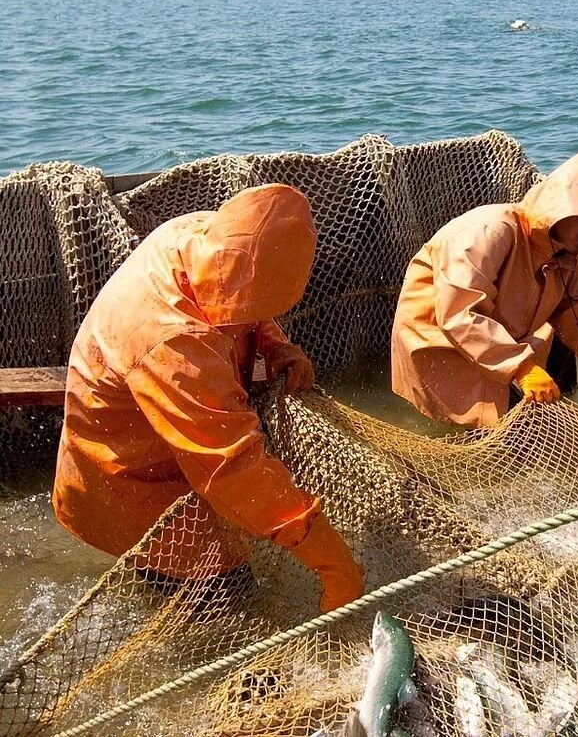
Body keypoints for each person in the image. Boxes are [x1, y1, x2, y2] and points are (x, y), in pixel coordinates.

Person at [53, 184, 364, 612]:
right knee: (229, 604)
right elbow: (234, 469)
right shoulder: (172, 342)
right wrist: (335, 566)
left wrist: (273, 345)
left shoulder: (199, 235)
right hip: (129, 480)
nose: (249, 318)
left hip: (171, 442)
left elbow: (242, 298)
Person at [391, 151, 578, 428]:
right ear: (559, 205)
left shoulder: (565, 256)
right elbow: (458, 313)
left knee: (557, 365)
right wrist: (521, 367)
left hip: (507, 336)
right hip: (440, 339)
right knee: (472, 427)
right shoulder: (489, 229)